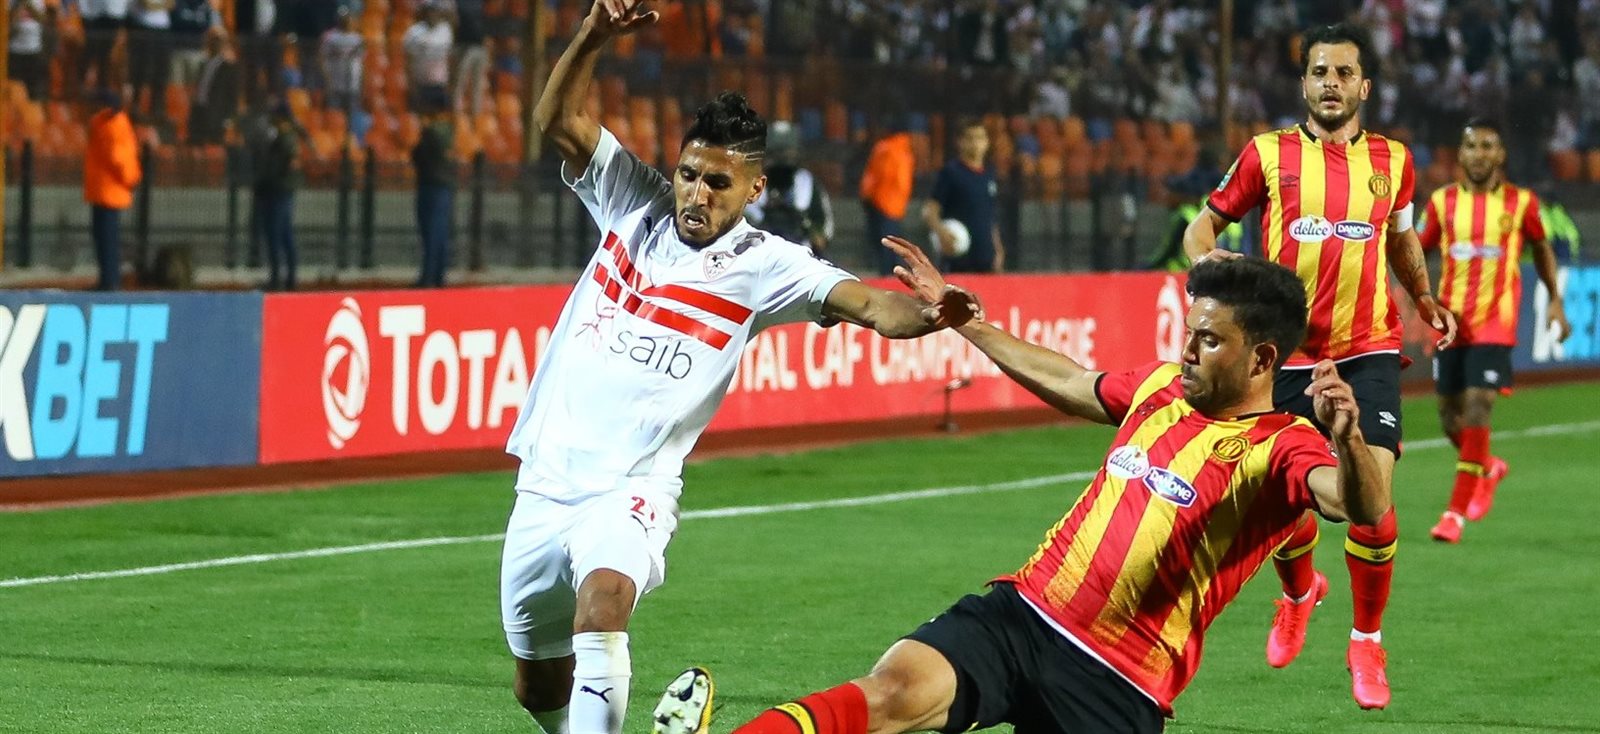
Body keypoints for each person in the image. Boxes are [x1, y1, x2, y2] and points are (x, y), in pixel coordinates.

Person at [651, 251, 1388, 734]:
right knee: (891, 694)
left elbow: (1357, 504)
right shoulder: (1162, 386)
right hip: (1024, 613)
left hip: (1118, 682)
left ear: (1262, 358)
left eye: (1209, 341)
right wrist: (971, 326)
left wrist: (1350, 438)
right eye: (1190, 333)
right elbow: (1071, 380)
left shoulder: (1282, 444)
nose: (1187, 351)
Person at [503, 4, 971, 734]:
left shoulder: (766, 265)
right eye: (689, 174)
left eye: (717, 182)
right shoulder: (632, 199)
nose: (696, 193)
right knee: (537, 685)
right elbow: (556, 122)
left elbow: (871, 305)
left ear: (754, 189)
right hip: (545, 480)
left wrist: (931, 312)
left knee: (604, 606)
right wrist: (593, 34)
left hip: (630, 489)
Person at [1181, 22, 1458, 710]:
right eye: (1319, 72)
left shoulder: (1395, 160)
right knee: (1283, 502)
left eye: (1343, 73)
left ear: (1365, 86)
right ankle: (1300, 593)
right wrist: (1211, 266)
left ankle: (1366, 640)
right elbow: (1201, 226)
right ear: (1303, 83)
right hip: (1284, 356)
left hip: (1367, 349)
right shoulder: (1266, 154)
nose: (1330, 83)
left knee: (1373, 501)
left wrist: (1423, 295)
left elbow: (1402, 239)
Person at [1418, 119, 1572, 543]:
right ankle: (1487, 466)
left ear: (1500, 154)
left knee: (1478, 405)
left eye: (1488, 146)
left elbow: (1541, 247)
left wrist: (1555, 299)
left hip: (1495, 323)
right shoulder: (1442, 203)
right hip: (1451, 325)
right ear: (1461, 153)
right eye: (1472, 146)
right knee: (1449, 416)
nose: (1479, 154)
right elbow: (1418, 251)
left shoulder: (1522, 203)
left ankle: (1454, 514)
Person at [922, 119, 1004, 273]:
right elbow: (930, 211)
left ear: (987, 142)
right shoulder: (951, 173)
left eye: (980, 138)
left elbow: (990, 217)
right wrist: (941, 233)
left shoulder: (989, 175)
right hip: (958, 260)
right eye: (970, 138)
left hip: (986, 258)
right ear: (960, 142)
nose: (975, 143)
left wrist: (998, 250)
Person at [744, 120, 834, 255]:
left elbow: (823, 228)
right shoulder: (751, 183)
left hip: (800, 252)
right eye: (776, 152)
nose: (782, 157)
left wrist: (812, 231)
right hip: (758, 252)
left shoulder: (807, 182)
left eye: (787, 152)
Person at [84, 88, 143, 291]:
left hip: (109, 190)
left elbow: (119, 158)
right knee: (104, 238)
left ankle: (110, 281)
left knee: (107, 238)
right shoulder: (110, 123)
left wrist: (128, 179)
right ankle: (108, 279)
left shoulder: (111, 125)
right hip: (105, 189)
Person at [252, 99, 302, 291]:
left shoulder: (284, 139)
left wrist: (266, 182)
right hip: (278, 191)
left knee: (276, 235)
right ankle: (287, 278)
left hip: (278, 192)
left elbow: (278, 167)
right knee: (283, 235)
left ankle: (279, 279)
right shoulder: (284, 137)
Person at [412, 87, 456, 288]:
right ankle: (437, 275)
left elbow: (418, 155)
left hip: (432, 185)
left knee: (431, 232)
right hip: (442, 186)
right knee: (439, 233)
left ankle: (429, 277)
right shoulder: (449, 129)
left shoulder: (433, 131)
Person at [860, 117, 914, 275]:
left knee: (883, 247)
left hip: (880, 203)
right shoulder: (906, 151)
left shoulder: (884, 148)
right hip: (896, 206)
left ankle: (886, 276)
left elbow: (874, 177)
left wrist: (867, 196)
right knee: (894, 246)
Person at [187, 26, 239, 145]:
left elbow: (232, 96)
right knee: (196, 144)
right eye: (212, 39)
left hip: (215, 115)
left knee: (214, 146)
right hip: (199, 111)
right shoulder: (203, 64)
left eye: (218, 39)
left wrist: (227, 120)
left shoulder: (229, 67)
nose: (214, 43)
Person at [402, 0, 453, 110]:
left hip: (440, 84)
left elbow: (448, 59)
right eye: (431, 11)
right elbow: (408, 61)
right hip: (421, 84)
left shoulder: (445, 31)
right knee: (420, 114)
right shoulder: (414, 32)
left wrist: (449, 84)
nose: (433, 14)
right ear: (425, 12)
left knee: (439, 116)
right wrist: (412, 85)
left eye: (436, 11)